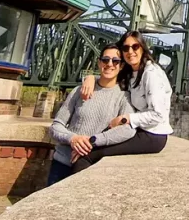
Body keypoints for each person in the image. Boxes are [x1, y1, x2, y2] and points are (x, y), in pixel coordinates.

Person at [74, 30, 172, 172]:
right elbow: (108, 77)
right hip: (140, 130)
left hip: (153, 136)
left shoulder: (151, 74)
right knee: (97, 144)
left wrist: (126, 118)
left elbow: (159, 115)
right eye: (125, 48)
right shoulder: (132, 71)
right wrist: (90, 78)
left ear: (143, 48)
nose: (130, 51)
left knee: (88, 155)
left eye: (135, 47)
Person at [47, 44, 135, 185]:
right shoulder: (79, 91)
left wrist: (92, 141)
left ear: (122, 66)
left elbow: (128, 130)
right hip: (62, 163)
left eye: (115, 61)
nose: (109, 64)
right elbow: (56, 126)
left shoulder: (124, 97)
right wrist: (73, 139)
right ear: (99, 63)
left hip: (92, 166)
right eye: (105, 60)